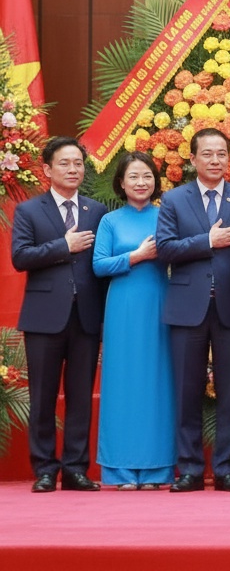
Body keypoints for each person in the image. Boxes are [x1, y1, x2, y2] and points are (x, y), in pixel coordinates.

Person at [156, 127, 230, 493]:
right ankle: (190, 469)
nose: (215, 160)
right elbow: (165, 248)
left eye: (221, 153)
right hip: (186, 307)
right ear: (193, 158)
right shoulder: (173, 200)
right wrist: (207, 241)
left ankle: (227, 469)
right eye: (207, 153)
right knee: (187, 390)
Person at [11, 137, 106, 493]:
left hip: (86, 316)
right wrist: (62, 247)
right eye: (65, 164)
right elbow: (21, 257)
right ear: (48, 170)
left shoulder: (96, 212)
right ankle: (45, 469)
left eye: (78, 163)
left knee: (81, 396)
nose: (73, 169)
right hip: (44, 316)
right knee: (44, 396)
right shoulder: (30, 211)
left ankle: (76, 469)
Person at [92, 151, 176, 490]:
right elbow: (99, 265)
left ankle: (158, 470)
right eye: (133, 177)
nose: (141, 183)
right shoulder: (110, 221)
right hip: (123, 306)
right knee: (122, 382)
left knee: (159, 381)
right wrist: (135, 256)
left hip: (160, 301)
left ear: (155, 181)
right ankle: (121, 470)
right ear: (121, 183)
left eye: (147, 176)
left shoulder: (166, 216)